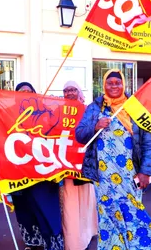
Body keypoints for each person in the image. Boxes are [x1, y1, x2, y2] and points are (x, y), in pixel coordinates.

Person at [76, 69, 151, 249]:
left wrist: (145, 171)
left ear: (123, 85)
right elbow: (80, 135)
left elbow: (149, 144)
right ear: (104, 85)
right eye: (110, 83)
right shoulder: (94, 108)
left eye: (117, 83)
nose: (114, 86)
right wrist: (95, 126)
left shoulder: (135, 108)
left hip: (130, 174)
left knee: (133, 211)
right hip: (103, 177)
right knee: (107, 214)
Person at [11, 82, 64, 250]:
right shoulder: (9, 114)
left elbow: (57, 133)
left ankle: (52, 243)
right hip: (19, 172)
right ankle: (32, 242)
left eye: (28, 91)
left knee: (46, 208)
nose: (25, 94)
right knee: (25, 209)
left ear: (34, 93)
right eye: (21, 92)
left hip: (43, 172)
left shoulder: (46, 112)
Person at [60, 81, 98, 250]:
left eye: (73, 89)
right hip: (66, 167)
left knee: (86, 202)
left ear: (79, 91)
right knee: (70, 206)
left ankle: (89, 233)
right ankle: (74, 242)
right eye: (66, 90)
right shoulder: (58, 111)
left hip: (85, 165)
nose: (69, 93)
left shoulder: (88, 110)